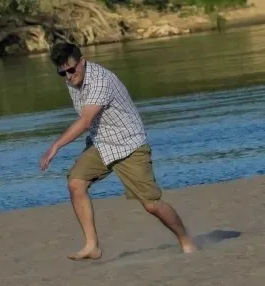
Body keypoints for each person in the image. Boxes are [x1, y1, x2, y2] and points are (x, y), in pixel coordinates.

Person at [39, 43, 197, 260]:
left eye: (71, 70)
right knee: (75, 183)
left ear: (82, 62)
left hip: (129, 145)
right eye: (62, 72)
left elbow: (85, 121)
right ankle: (92, 246)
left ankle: (186, 239)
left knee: (152, 205)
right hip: (101, 143)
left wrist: (55, 146)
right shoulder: (73, 81)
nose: (68, 76)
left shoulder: (100, 81)